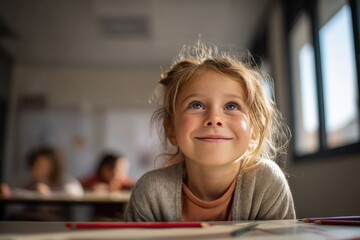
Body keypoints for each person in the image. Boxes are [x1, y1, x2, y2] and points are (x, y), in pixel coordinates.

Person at [125, 40, 296, 222]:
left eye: (231, 106)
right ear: (171, 129)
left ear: (253, 132)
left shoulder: (267, 183)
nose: (214, 118)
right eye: (196, 105)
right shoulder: (150, 191)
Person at [1, 146, 84, 220]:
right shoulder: (33, 181)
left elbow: (76, 192)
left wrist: (49, 194)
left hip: (56, 219)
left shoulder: (65, 180)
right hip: (35, 217)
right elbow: (21, 192)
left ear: (53, 166)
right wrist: (9, 192)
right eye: (35, 166)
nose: (36, 170)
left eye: (41, 165)